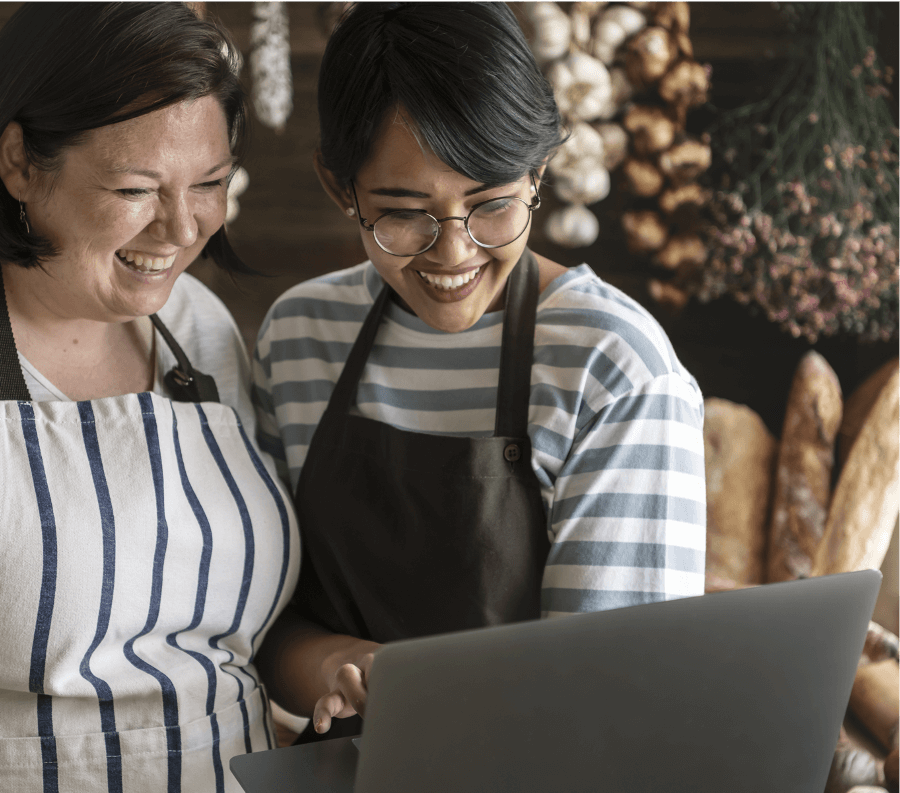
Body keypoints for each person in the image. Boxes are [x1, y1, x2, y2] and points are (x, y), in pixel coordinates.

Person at [0, 3, 298, 790]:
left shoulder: (197, 325)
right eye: (137, 187)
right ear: (18, 161)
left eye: (210, 183)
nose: (182, 228)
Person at [253, 1, 706, 742]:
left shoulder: (613, 365)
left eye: (491, 204)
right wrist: (340, 663)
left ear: (538, 171)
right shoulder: (300, 334)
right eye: (402, 214)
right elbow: (262, 619)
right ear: (340, 188)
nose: (453, 254)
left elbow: (621, 700)